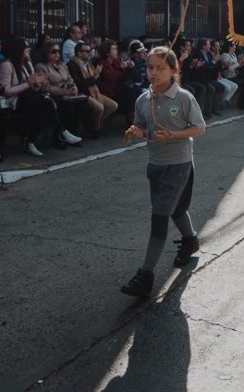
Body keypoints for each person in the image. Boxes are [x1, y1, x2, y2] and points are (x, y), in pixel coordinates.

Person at [120, 46, 206, 297]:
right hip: (154, 165)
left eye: (161, 68)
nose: (154, 73)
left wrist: (175, 135)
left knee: (159, 216)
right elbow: (140, 125)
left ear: (173, 70)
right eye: (150, 67)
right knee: (176, 210)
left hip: (178, 165)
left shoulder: (183, 98)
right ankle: (190, 240)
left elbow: (199, 128)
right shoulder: (142, 99)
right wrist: (134, 131)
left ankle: (145, 274)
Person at [0, 37, 82, 156]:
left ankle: (31, 141)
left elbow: (34, 88)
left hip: (28, 98)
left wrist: (36, 83)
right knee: (47, 104)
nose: (29, 49)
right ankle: (62, 132)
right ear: (18, 49)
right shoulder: (7, 66)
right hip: (14, 102)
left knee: (48, 106)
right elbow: (6, 91)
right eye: (26, 47)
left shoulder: (26, 64)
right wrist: (28, 84)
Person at [69, 41, 119, 134]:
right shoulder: (73, 65)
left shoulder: (89, 64)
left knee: (113, 105)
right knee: (99, 108)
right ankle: (95, 129)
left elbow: (98, 80)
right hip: (84, 93)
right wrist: (95, 76)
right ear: (79, 53)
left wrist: (96, 76)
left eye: (90, 50)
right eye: (87, 51)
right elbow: (80, 84)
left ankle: (92, 124)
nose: (90, 53)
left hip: (95, 91)